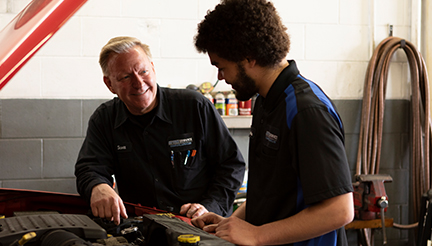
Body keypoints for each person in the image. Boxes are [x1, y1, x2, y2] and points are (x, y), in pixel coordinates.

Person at [191, 0, 354, 245]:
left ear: (249, 57)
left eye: (222, 67)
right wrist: (232, 223)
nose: (220, 77)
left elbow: (339, 210)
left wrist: (256, 235)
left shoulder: (306, 110)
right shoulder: (266, 100)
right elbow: (272, 192)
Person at [75, 36, 246, 225]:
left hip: (198, 227)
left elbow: (230, 165)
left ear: (153, 69)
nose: (139, 83)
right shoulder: (104, 119)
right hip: (141, 229)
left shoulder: (194, 107)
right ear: (109, 84)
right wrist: (98, 186)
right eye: (125, 77)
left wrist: (210, 207)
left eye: (143, 71)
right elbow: (89, 167)